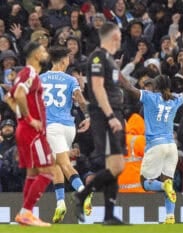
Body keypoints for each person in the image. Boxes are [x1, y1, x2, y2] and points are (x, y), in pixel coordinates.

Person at [119, 59, 183, 224]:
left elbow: (128, 87)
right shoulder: (174, 99)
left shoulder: (150, 97)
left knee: (145, 183)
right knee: (169, 180)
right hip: (171, 146)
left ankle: (163, 187)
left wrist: (117, 71)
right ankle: (170, 217)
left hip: (155, 145)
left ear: (156, 86)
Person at [73, 22, 126, 225]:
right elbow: (97, 88)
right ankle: (82, 194)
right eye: (118, 35)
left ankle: (109, 215)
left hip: (113, 113)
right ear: (113, 36)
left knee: (114, 166)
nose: (120, 38)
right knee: (116, 165)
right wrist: (110, 116)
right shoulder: (98, 56)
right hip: (105, 116)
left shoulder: (110, 59)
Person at [4, 41, 55, 226]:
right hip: (32, 131)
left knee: (32, 173)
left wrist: (20, 117)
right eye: (42, 50)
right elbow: (18, 95)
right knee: (48, 171)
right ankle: (26, 212)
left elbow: (8, 98)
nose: (45, 52)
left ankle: (25, 215)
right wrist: (29, 118)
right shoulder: (30, 73)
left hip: (23, 130)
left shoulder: (22, 74)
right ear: (35, 55)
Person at [39, 46, 91, 223]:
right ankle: (60, 202)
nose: (69, 60)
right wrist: (89, 116)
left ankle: (83, 191)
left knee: (63, 164)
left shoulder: (40, 79)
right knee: (55, 164)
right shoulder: (70, 79)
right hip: (69, 128)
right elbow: (80, 99)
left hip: (52, 128)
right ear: (63, 60)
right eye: (68, 58)